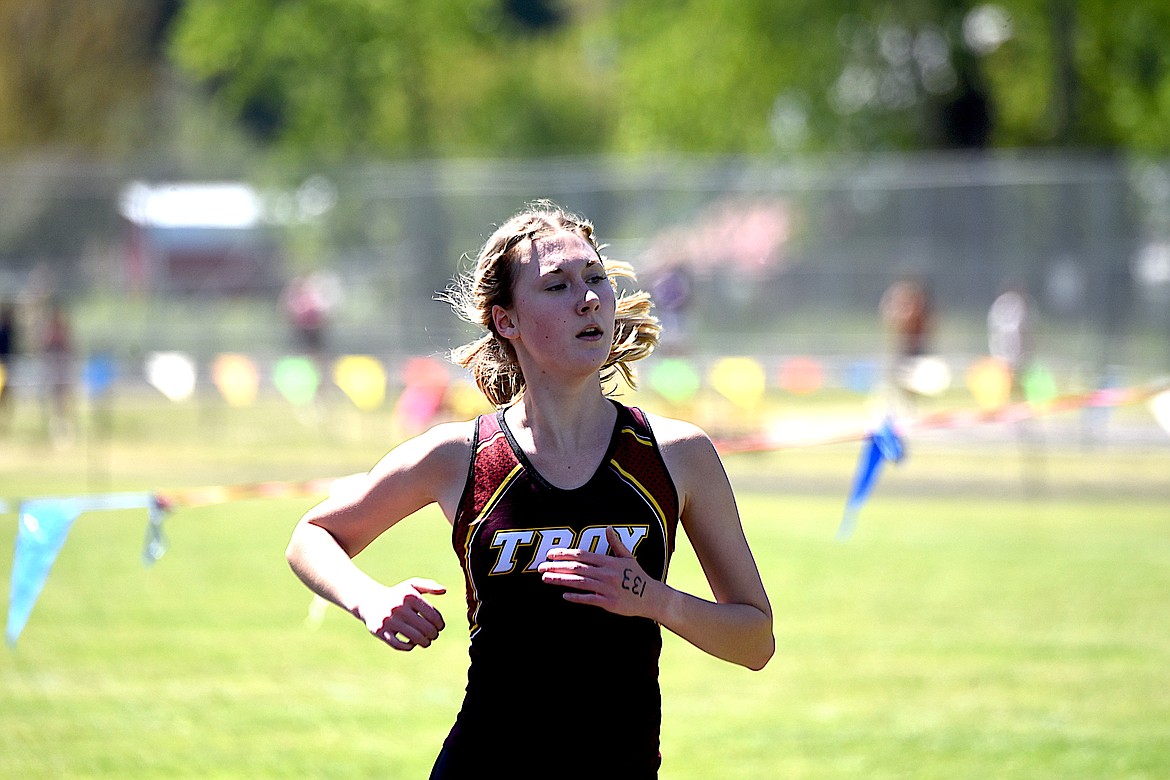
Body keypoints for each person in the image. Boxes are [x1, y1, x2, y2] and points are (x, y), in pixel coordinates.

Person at [285, 201, 774, 778]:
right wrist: (370, 600)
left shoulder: (676, 455)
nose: (588, 298)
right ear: (506, 320)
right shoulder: (459, 456)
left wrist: (656, 600)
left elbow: (755, 640)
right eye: (557, 285)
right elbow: (312, 535)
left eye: (595, 278)